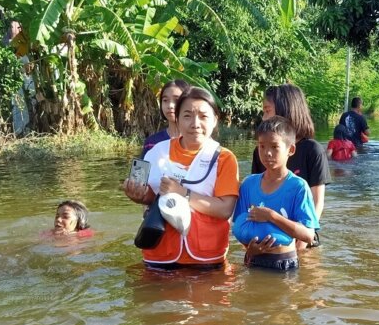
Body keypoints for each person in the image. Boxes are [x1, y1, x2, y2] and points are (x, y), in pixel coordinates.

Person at [123, 87, 240, 269]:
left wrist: (183, 193)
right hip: (159, 255)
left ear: (215, 120)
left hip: (206, 259)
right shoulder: (154, 151)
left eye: (203, 116)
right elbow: (146, 195)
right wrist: (138, 195)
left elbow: (225, 209)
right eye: (187, 116)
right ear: (176, 119)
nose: (195, 124)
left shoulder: (225, 158)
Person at [234, 117, 319, 270]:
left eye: (274, 147)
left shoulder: (298, 187)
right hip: (253, 259)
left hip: (284, 261)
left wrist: (272, 216)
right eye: (262, 146)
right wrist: (250, 250)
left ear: (290, 150)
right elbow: (239, 225)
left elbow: (308, 235)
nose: (267, 153)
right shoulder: (248, 184)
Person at [251, 84, 330, 248]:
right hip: (268, 237)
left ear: (285, 111)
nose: (263, 118)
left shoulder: (312, 150)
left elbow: (317, 203)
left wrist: (300, 243)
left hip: (303, 238)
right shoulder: (261, 153)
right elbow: (255, 198)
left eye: (267, 111)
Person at [141, 79, 190, 157]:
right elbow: (142, 165)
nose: (170, 106)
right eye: (165, 100)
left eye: (176, 100)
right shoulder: (152, 142)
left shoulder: (198, 142)